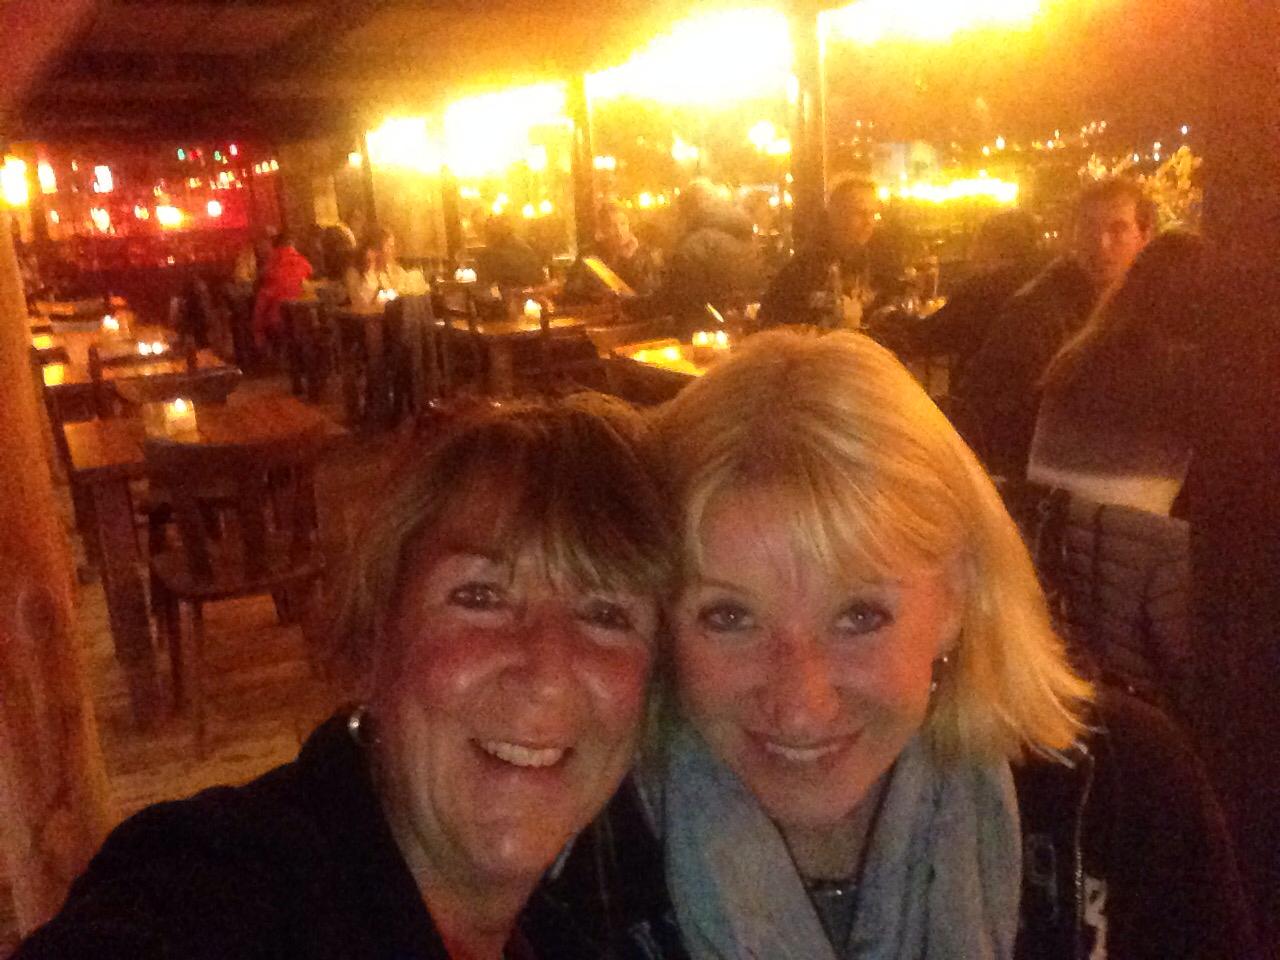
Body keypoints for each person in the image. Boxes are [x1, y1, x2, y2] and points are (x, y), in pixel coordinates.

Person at [550, 328, 1258, 959]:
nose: (800, 704)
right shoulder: (579, 848)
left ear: (956, 599)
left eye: (860, 616)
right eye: (729, 617)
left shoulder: (1122, 796)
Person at [16, 397, 675, 960]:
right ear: (373, 639)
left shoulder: (574, 928)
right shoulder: (223, 882)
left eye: (606, 614)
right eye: (481, 597)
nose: (549, 672)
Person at [957, 178, 1157, 478]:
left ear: (1145, 237)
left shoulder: (1151, 307)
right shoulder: (1035, 313)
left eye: (1117, 229)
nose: (1101, 243)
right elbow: (987, 412)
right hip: (1045, 480)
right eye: (1088, 228)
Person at [906, 209, 1044, 385]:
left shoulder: (983, 289)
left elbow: (929, 336)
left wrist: (888, 317)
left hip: (983, 390)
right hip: (1032, 390)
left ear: (990, 245)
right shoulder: (1042, 285)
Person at [759, 177, 903, 330]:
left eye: (872, 214)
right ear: (836, 216)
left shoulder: (880, 263)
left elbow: (891, 312)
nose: (868, 222)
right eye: (859, 213)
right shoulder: (803, 270)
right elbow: (769, 323)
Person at [654, 179, 760, 334]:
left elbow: (675, 297)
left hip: (703, 332)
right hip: (742, 327)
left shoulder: (695, 244)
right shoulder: (744, 235)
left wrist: (631, 306)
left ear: (687, 210)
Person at [251, 231, 312, 348]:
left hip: (277, 319)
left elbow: (262, 299)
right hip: (303, 319)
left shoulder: (271, 265)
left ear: (274, 246)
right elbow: (309, 277)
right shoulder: (303, 262)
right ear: (292, 244)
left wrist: (257, 331)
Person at [596, 201, 661, 297]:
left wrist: (629, 260)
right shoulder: (594, 255)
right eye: (612, 226)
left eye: (623, 224)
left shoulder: (646, 254)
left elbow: (650, 291)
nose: (619, 231)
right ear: (603, 229)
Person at [475, 215, 544, 289]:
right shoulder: (523, 247)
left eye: (489, 233)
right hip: (529, 289)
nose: (486, 237)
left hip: (517, 291)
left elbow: (483, 285)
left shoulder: (488, 256)